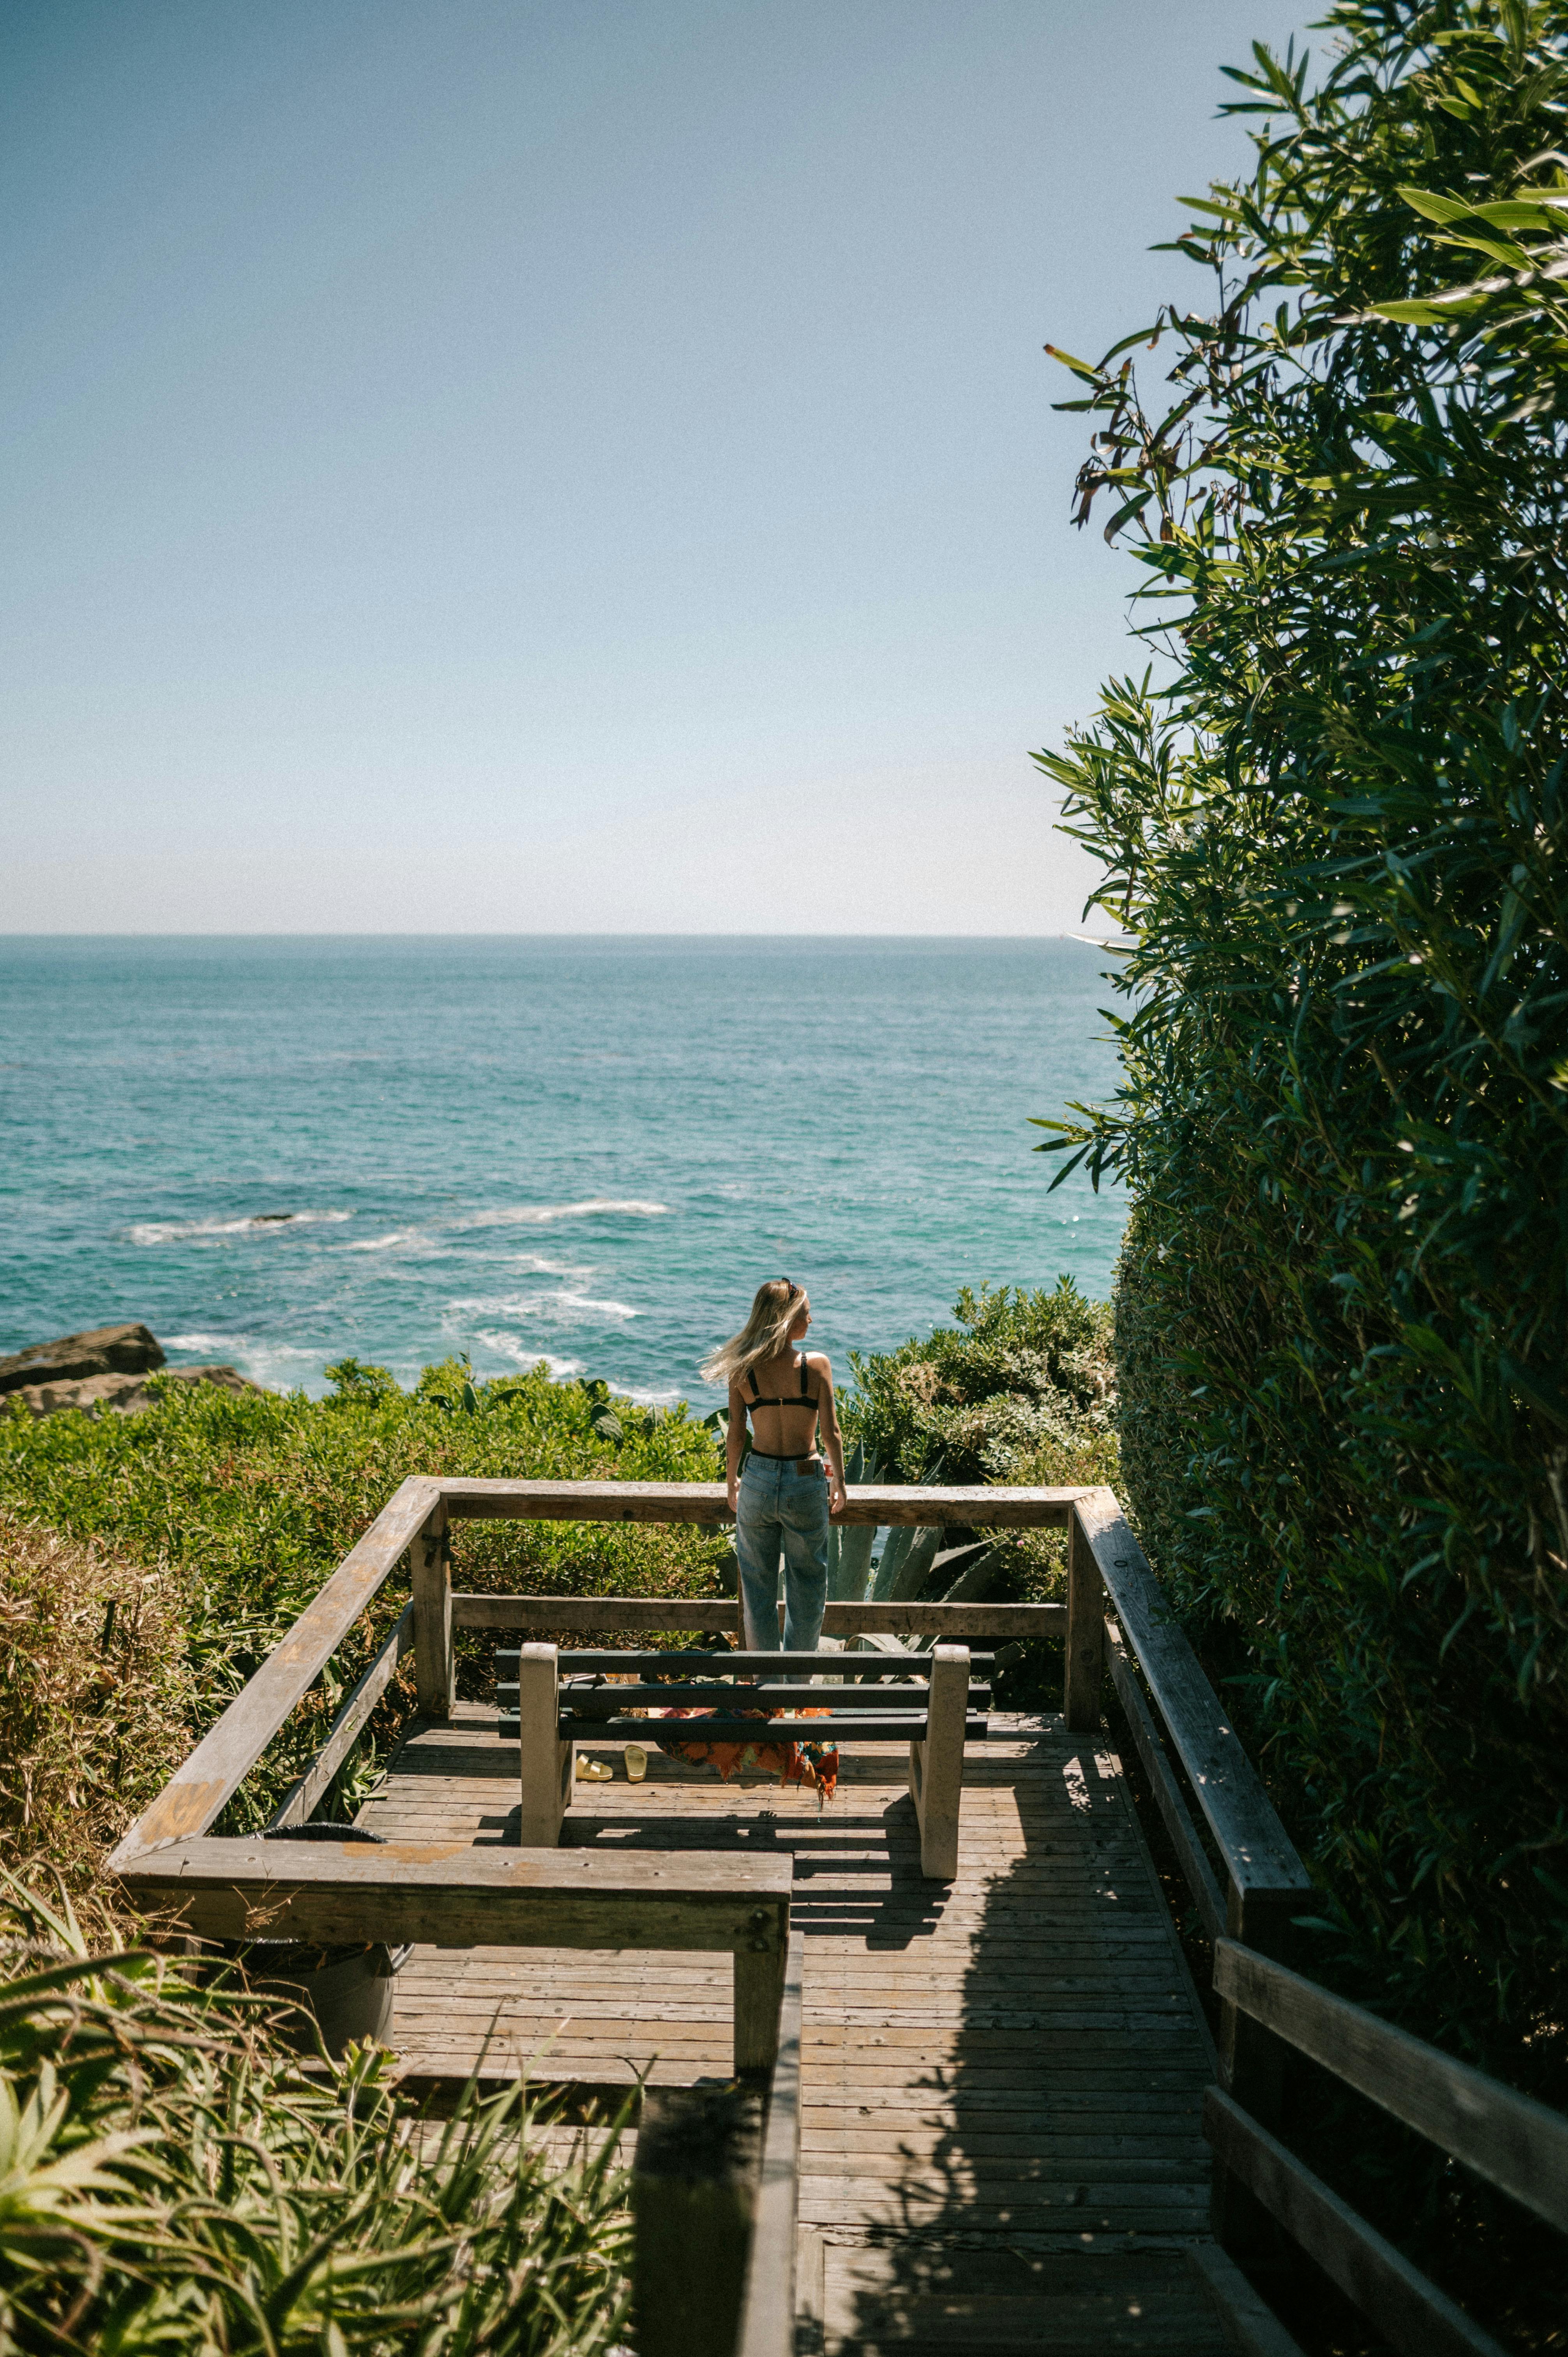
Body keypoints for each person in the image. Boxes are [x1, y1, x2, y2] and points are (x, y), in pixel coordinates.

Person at [701, 1278, 848, 1659]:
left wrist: (732, 1482)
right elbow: (831, 1433)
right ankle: (796, 1689)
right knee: (807, 1586)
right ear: (785, 1319)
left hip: (759, 1479)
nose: (811, 1321)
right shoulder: (815, 1366)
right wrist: (841, 1483)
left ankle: (765, 1693)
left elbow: (736, 1434)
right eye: (805, 1313)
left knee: (758, 1589)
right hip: (804, 1478)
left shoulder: (741, 1369)